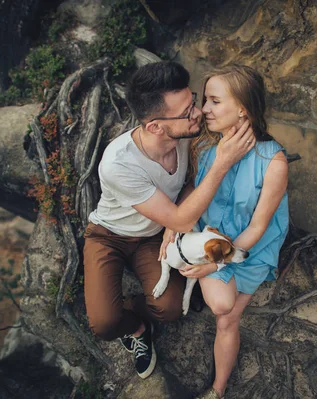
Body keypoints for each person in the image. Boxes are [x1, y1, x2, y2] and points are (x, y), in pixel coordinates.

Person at [83, 61, 255, 379]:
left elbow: (189, 185)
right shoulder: (118, 164)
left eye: (193, 100)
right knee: (104, 323)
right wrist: (222, 163)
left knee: (171, 309)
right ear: (155, 127)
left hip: (155, 235)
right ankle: (135, 328)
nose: (198, 113)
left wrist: (172, 224)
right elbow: (180, 215)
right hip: (110, 236)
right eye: (187, 111)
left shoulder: (186, 133)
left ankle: (138, 304)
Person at [179, 65, 290, 398]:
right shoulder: (205, 150)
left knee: (225, 316)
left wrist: (214, 265)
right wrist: (176, 227)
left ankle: (217, 391)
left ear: (243, 108)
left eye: (214, 101)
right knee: (223, 304)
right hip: (212, 239)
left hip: (252, 247)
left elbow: (258, 226)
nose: (203, 110)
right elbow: (191, 194)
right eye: (204, 100)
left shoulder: (274, 162)